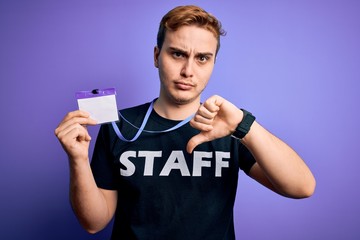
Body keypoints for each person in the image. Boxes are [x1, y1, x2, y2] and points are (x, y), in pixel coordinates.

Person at [55, 5, 316, 240]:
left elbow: (302, 187)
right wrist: (77, 159)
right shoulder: (120, 125)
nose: (188, 71)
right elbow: (94, 223)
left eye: (202, 58)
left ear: (213, 63)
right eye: (178, 54)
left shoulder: (229, 126)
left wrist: (243, 126)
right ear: (157, 56)